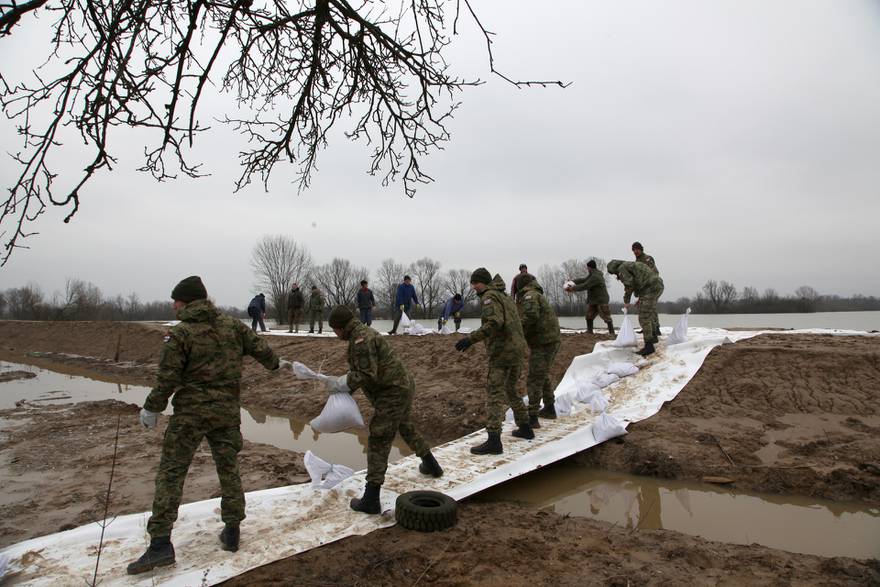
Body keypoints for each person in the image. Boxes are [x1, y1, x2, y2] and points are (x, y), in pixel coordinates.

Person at [127, 276, 292, 574]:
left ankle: (160, 545)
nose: (173, 305)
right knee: (228, 469)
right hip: (227, 413)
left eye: (176, 300)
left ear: (186, 301)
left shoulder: (181, 334)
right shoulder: (232, 326)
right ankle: (232, 531)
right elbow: (263, 351)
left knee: (171, 474)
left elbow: (167, 378)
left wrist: (152, 407)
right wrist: (277, 364)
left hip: (190, 416)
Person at [323, 305, 443, 514]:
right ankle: (431, 464)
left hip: (392, 391)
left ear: (341, 327)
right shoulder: (361, 334)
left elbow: (367, 374)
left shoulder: (360, 340)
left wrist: (341, 384)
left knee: (379, 438)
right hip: (401, 386)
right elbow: (363, 371)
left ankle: (371, 498)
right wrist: (345, 389)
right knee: (404, 426)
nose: (335, 334)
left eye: (334, 329)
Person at [455, 268, 532, 454]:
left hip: (503, 353)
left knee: (494, 394)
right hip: (517, 350)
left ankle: (494, 440)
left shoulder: (489, 297)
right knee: (511, 390)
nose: (473, 287)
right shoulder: (504, 296)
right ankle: (525, 428)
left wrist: (470, 339)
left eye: (475, 283)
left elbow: (494, 322)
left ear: (484, 282)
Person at [515, 273, 561, 425]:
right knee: (542, 374)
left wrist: (516, 331)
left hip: (544, 342)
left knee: (534, 377)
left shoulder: (529, 296)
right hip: (548, 341)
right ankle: (549, 408)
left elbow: (531, 317)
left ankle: (532, 416)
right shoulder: (536, 294)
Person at [606, 259, 665, 356]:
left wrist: (626, 301)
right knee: (649, 312)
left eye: (613, 273)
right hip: (656, 285)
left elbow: (629, 285)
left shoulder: (622, 268)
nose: (615, 275)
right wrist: (640, 298)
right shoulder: (630, 265)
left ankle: (649, 346)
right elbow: (640, 280)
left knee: (644, 316)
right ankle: (653, 337)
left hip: (650, 287)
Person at [565, 259, 615, 335]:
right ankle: (589, 331)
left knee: (606, 317)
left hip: (601, 300)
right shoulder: (591, 275)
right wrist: (572, 282)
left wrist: (572, 288)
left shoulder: (596, 277)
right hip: (593, 300)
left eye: (587, 268)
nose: (587, 269)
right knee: (589, 316)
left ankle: (612, 333)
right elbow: (584, 280)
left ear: (590, 268)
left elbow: (585, 285)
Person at [632, 241, 661, 338]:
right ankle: (647, 328)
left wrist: (650, 284)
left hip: (652, 286)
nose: (635, 251)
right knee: (644, 307)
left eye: (637, 249)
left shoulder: (647, 258)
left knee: (651, 307)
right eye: (634, 250)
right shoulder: (637, 262)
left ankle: (656, 329)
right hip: (643, 288)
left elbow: (653, 273)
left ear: (641, 249)